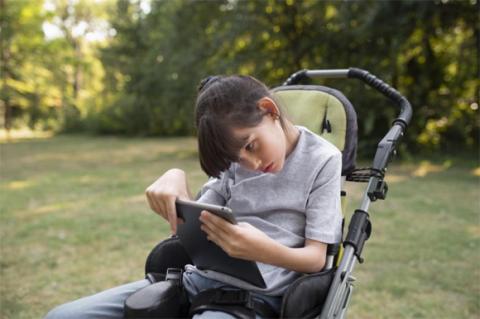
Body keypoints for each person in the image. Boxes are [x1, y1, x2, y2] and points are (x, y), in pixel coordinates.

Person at [44, 75, 343, 319]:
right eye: (237, 159)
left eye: (251, 146)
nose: (250, 164)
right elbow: (198, 220)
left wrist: (260, 249)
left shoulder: (323, 160)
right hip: (192, 283)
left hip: (255, 301)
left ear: (269, 109)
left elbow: (316, 260)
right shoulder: (236, 161)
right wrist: (175, 177)